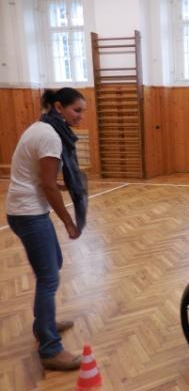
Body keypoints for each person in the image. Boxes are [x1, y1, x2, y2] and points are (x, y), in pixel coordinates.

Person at [6, 87, 88, 370]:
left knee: (55, 262)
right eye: (76, 110)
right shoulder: (50, 136)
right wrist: (68, 220)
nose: (80, 116)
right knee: (49, 277)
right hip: (27, 213)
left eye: (82, 111)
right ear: (58, 107)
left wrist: (63, 185)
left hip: (27, 209)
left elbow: (44, 178)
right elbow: (47, 185)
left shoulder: (43, 127)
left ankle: (45, 323)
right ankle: (50, 348)